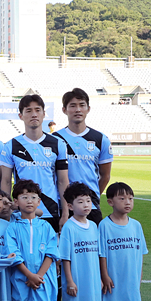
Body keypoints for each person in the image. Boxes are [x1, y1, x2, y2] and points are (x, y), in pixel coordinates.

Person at [0, 94, 69, 233]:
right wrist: (6, 209)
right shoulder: (11, 145)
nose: (34, 114)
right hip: (22, 212)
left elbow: (63, 181)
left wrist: (65, 213)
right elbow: (5, 181)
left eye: (37, 110)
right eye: (29, 110)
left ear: (44, 114)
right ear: (20, 116)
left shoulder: (57, 144)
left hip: (50, 210)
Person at [6, 179, 58, 301]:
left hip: (43, 279)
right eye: (24, 197)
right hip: (22, 278)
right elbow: (13, 253)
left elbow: (51, 253)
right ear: (16, 201)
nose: (29, 201)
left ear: (39, 201)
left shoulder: (46, 226)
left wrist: (38, 276)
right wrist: (29, 275)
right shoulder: (12, 227)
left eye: (33, 197)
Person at [98, 182, 148, 301]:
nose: (127, 202)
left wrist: (138, 277)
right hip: (112, 276)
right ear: (110, 202)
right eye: (122, 198)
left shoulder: (136, 225)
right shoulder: (105, 225)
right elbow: (102, 253)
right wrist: (104, 275)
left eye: (130, 198)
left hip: (130, 277)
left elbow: (140, 253)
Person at [53, 88, 113, 223]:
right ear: (64, 110)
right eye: (73, 106)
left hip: (90, 206)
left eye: (82, 105)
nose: (78, 110)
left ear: (88, 109)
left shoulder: (100, 139)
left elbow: (105, 176)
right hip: (62, 205)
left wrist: (91, 196)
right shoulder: (55, 139)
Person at [58, 182, 102, 301]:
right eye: (81, 202)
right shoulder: (69, 227)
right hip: (75, 278)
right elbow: (65, 257)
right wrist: (69, 281)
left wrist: (99, 277)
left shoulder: (93, 226)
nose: (86, 205)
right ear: (70, 206)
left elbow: (97, 254)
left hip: (90, 278)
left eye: (88, 201)